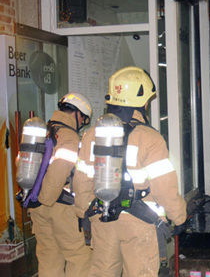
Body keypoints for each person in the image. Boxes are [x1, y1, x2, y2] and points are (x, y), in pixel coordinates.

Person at [73, 66, 187, 276]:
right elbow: (164, 188)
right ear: (143, 102)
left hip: (102, 217)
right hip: (140, 224)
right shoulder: (150, 138)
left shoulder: (91, 135)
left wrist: (83, 212)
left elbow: (81, 180)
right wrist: (178, 217)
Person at [28, 93, 93, 277]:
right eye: (84, 119)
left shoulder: (43, 131)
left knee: (49, 256)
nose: (83, 123)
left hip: (37, 206)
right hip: (60, 207)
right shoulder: (70, 138)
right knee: (78, 257)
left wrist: (37, 200)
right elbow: (59, 172)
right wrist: (45, 199)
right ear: (77, 114)